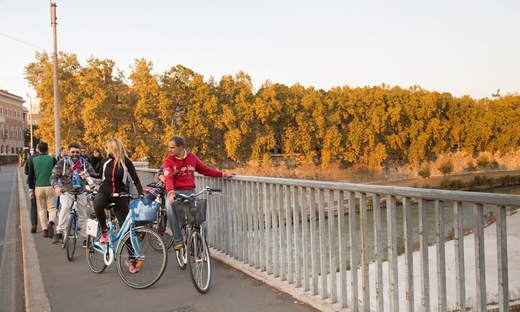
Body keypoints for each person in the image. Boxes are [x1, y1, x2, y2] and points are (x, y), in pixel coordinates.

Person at [163, 135, 236, 250]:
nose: (169, 150)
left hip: (191, 192)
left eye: (172, 147)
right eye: (169, 147)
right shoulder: (168, 161)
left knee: (202, 223)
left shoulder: (192, 157)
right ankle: (178, 239)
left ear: (180, 147)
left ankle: (200, 249)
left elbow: (205, 170)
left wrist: (223, 174)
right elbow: (168, 179)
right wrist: (171, 193)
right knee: (168, 205)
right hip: (176, 192)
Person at [92, 137, 144, 273]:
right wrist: (88, 177)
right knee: (97, 203)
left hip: (120, 195)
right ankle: (104, 231)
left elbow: (135, 178)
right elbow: (99, 176)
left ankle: (132, 260)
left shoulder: (126, 162)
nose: (105, 149)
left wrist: (141, 193)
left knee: (126, 230)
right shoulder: (105, 161)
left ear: (113, 148)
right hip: (105, 192)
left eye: (107, 147)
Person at [50, 142, 98, 247]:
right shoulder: (62, 163)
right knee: (65, 208)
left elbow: (94, 175)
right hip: (67, 191)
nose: (75, 154)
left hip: (81, 192)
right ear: (68, 152)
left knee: (83, 216)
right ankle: (59, 232)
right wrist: (56, 187)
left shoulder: (84, 163)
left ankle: (86, 239)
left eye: (77, 152)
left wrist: (95, 184)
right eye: (73, 152)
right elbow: (53, 176)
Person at [27, 142, 58, 238]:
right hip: (50, 186)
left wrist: (30, 190)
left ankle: (45, 230)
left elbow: (30, 175)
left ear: (38, 150)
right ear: (47, 149)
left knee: (41, 209)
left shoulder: (33, 160)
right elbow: (57, 172)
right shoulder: (52, 159)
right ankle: (51, 223)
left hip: (38, 187)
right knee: (52, 208)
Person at [25, 144, 40, 233]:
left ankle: (34, 224)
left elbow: (27, 171)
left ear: (36, 149)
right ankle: (47, 224)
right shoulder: (49, 158)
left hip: (33, 184)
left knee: (34, 205)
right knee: (45, 205)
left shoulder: (31, 158)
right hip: (44, 184)